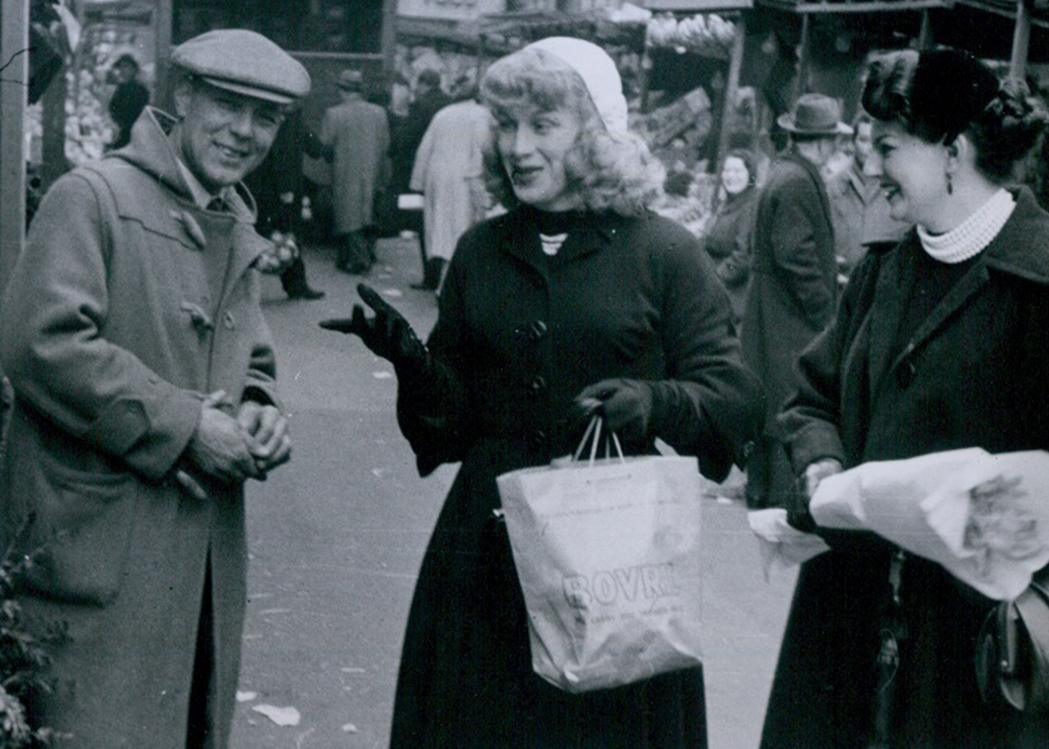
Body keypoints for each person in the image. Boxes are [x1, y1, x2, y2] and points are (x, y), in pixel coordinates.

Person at [321, 37, 763, 748]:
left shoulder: (662, 252)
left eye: (541, 126)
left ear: (594, 134)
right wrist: (414, 365)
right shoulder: (481, 249)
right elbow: (452, 429)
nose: (517, 146)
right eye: (506, 125)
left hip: (612, 568)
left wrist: (656, 402)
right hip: (486, 565)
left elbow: (738, 399)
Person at [760, 48, 1049, 749]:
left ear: (954, 152)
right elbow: (811, 398)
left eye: (886, 147)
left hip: (986, 657)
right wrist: (822, 468)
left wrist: (976, 524)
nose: (871, 171)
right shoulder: (883, 273)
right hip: (860, 626)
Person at [0, 29, 309, 749]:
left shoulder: (231, 215)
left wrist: (261, 409)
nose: (244, 132)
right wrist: (185, 426)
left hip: (191, 557)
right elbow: (40, 344)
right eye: (228, 105)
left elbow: (251, 356)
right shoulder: (93, 196)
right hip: (97, 552)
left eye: (265, 118)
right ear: (184, 96)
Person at [740, 93, 844, 508]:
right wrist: (824, 310)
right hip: (788, 312)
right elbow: (794, 252)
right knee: (790, 398)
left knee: (769, 400)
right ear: (822, 141)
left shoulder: (782, 172)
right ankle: (784, 497)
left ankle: (760, 489)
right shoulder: (799, 180)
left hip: (771, 304)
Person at [407, 89, 492, 293]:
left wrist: (417, 183)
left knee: (438, 228)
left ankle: (438, 279)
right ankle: (450, 285)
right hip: (463, 178)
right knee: (460, 229)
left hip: (436, 176)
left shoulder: (443, 114)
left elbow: (425, 148)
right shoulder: (481, 115)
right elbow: (482, 150)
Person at [242, 108, 325, 300]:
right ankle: (296, 286)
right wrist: (285, 189)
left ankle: (240, 288)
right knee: (289, 235)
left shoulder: (263, 113)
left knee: (252, 234)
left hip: (255, 187)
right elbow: (314, 149)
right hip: (282, 191)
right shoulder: (293, 120)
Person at [320, 68, 390, 274]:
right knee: (367, 214)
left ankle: (358, 260)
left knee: (348, 216)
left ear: (342, 90)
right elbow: (385, 145)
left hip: (345, 174)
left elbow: (326, 144)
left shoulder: (334, 114)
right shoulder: (379, 113)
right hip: (374, 172)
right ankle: (364, 254)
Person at [826, 112, 909, 280]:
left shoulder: (896, 189)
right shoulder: (833, 186)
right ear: (853, 142)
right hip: (840, 287)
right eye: (863, 140)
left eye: (876, 142)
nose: (869, 148)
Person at [400, 68, 451, 288]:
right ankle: (446, 275)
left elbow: (409, 136)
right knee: (449, 224)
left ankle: (430, 277)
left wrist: (395, 148)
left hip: (427, 170)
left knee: (427, 225)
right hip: (452, 172)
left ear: (423, 84)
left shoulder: (421, 105)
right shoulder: (449, 102)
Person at [701, 149, 759, 324]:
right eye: (727, 171)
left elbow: (743, 257)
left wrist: (711, 282)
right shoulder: (728, 201)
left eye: (737, 171)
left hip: (733, 294)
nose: (730, 176)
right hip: (714, 283)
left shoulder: (751, 205)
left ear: (750, 174)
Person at [106, 53, 150, 150]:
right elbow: (112, 108)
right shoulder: (121, 88)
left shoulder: (140, 90)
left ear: (133, 69)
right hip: (121, 133)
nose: (122, 70)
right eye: (120, 67)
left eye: (126, 67)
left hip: (133, 134)